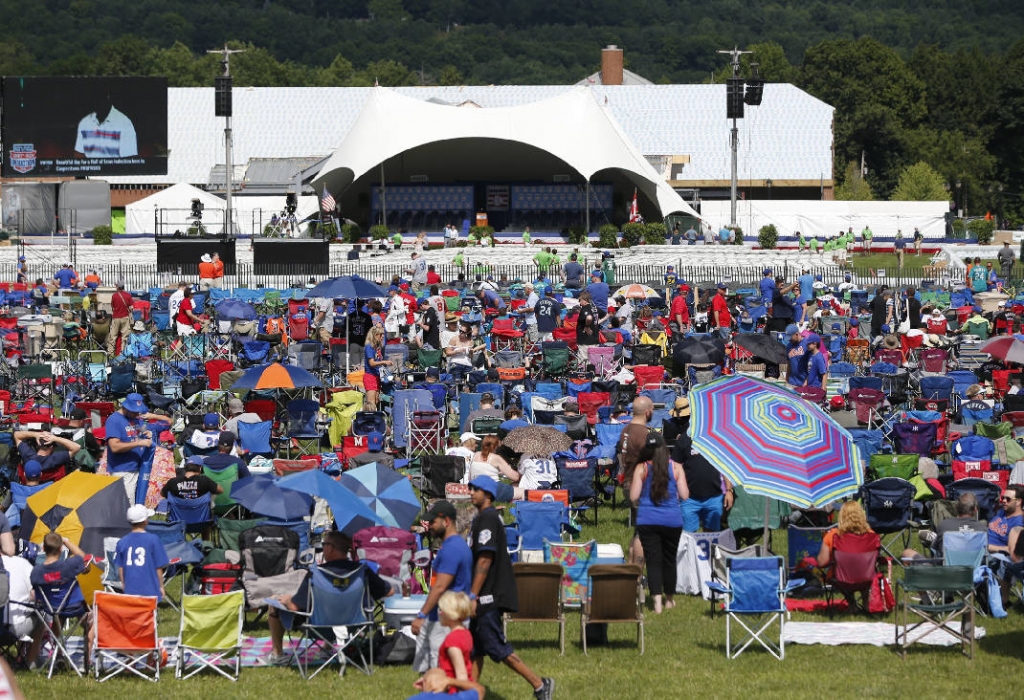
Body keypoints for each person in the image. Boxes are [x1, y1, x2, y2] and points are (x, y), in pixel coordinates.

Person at [466, 476, 553, 700]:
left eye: (475, 489)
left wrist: (473, 594)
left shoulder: (487, 519)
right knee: (476, 647)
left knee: (496, 646)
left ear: (487, 495)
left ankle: (539, 684)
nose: (471, 493)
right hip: (483, 593)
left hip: (488, 594)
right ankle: (470, 693)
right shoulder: (481, 518)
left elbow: (485, 559)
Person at [266, 530, 392, 665]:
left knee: (274, 603)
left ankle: (277, 653)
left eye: (324, 544)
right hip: (356, 626)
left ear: (331, 548)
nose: (322, 548)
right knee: (337, 602)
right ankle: (326, 649)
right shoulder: (362, 571)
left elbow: (294, 606)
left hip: (318, 627)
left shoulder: (317, 573)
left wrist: (287, 599)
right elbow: (389, 592)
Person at [412, 501, 474, 673]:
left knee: (439, 668)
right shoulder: (456, 546)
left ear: (446, 521)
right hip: (447, 615)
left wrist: (421, 615)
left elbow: (439, 587)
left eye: (433, 522)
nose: (429, 526)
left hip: (446, 618)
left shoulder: (451, 549)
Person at [630, 433, 687, 614]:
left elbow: (633, 497)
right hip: (672, 520)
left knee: (653, 562)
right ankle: (669, 599)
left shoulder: (642, 468)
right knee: (669, 560)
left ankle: (656, 603)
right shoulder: (676, 467)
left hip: (647, 520)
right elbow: (685, 495)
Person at [28, 533, 95, 669]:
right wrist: (66, 541)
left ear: (44, 549)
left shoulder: (36, 571)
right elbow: (85, 558)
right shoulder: (69, 565)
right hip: (74, 607)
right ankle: (88, 662)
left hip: (51, 609)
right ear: (60, 549)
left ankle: (56, 654)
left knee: (59, 614)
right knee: (93, 621)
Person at [670, 411, 733, 533]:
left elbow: (726, 466)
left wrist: (729, 491)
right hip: (690, 498)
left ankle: (710, 552)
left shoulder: (717, 439)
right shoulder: (685, 439)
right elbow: (675, 466)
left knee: (713, 536)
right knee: (688, 536)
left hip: (714, 497)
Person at [104, 393, 154, 504]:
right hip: (122, 470)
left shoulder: (135, 418)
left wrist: (146, 431)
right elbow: (114, 447)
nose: (138, 414)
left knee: (137, 503)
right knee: (126, 506)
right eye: (135, 411)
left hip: (137, 467)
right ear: (126, 408)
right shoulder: (114, 420)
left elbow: (143, 427)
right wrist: (139, 443)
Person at [114, 504, 170, 600]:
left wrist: (124, 585)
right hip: (150, 590)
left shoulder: (122, 542)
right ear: (145, 521)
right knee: (148, 615)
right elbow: (158, 567)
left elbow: (121, 568)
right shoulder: (153, 540)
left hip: (130, 590)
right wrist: (161, 586)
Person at [74, 93, 137, 158]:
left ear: (108, 97)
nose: (95, 101)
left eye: (99, 97)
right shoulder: (85, 122)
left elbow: (130, 160)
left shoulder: (125, 123)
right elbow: (79, 154)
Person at [436, 592, 475, 682]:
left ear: (450, 614)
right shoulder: (465, 633)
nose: (440, 613)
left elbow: (461, 674)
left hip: (453, 690)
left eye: (441, 610)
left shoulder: (452, 640)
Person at [14, 429, 80, 481]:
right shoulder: (56, 459)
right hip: (50, 490)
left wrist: (36, 434)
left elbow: (16, 435)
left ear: (38, 444)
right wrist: (55, 438)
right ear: (52, 447)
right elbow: (76, 447)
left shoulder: (27, 455)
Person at [409, 668, 486, 700]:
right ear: (448, 687)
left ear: (422, 683)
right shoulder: (456, 698)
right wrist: (450, 681)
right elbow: (480, 689)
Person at [989, 485, 1024, 555]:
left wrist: (987, 547)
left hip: (993, 556)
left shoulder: (1019, 523)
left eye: (1008, 499)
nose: (1004, 501)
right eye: (1003, 498)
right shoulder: (1002, 511)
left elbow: (1011, 551)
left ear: (1018, 501)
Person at [364, 326, 392, 410]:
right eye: (380, 334)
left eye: (383, 334)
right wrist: (384, 362)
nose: (382, 336)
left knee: (376, 401)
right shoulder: (369, 347)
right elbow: (371, 363)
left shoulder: (377, 347)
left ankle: (375, 419)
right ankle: (369, 420)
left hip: (377, 377)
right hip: (370, 377)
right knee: (371, 404)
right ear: (375, 335)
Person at [107, 280, 134, 356]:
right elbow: (131, 308)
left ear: (118, 287)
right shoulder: (128, 295)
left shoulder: (114, 296)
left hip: (116, 318)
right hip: (125, 317)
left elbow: (112, 307)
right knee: (125, 337)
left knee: (113, 337)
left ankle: (111, 353)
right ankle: (123, 353)